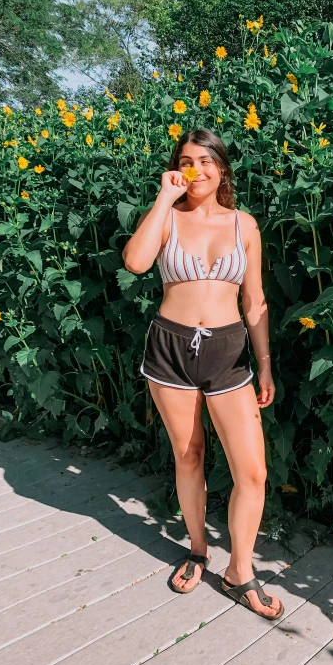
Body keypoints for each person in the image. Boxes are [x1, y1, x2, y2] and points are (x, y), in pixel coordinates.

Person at [122, 128, 283, 620]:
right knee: (189, 455)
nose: (196, 170)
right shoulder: (167, 218)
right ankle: (197, 550)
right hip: (170, 348)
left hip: (229, 351)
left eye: (206, 161)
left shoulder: (244, 225)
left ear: (221, 169)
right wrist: (163, 196)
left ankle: (240, 571)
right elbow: (135, 262)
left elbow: (254, 301)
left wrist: (266, 364)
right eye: (186, 161)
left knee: (252, 471)